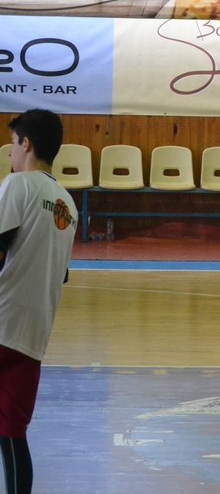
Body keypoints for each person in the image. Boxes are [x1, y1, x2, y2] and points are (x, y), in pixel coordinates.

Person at [1, 109, 78, 494]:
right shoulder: (68, 206)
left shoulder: (18, 185)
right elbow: (59, 273)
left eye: (12, 145)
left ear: (26, 143)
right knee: (12, 434)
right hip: (31, 337)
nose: (11, 154)